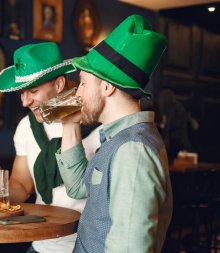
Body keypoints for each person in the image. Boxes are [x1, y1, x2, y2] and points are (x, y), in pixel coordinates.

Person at [56, 15, 173, 252]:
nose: (77, 93)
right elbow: (79, 187)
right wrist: (69, 124)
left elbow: (130, 248)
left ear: (107, 87)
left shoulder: (132, 150)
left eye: (83, 83)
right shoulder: (117, 139)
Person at [0, 42, 101, 253]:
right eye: (22, 93)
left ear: (59, 83)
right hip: (42, 244)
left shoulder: (99, 122)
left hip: (87, 245)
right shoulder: (27, 126)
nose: (25, 101)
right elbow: (22, 184)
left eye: (33, 91)